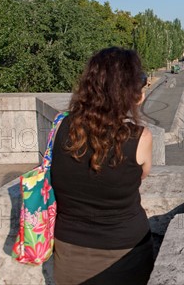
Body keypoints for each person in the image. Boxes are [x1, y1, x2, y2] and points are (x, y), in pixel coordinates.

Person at [51, 47, 154, 284]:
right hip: (125, 251)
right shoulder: (139, 137)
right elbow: (138, 177)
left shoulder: (61, 127)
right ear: (131, 92)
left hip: (68, 251)